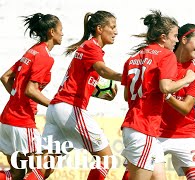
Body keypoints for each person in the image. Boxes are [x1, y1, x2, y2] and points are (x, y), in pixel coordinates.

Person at [24, 10, 122, 180]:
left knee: (45, 168)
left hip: (56, 109)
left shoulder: (87, 47)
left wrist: (100, 94)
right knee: (106, 158)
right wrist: (126, 77)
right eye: (112, 27)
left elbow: (81, 81)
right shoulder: (92, 47)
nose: (116, 31)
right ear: (100, 29)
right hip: (69, 109)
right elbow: (102, 70)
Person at [121, 10, 195, 180]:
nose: (177, 40)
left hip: (133, 125)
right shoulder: (166, 55)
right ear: (163, 37)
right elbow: (165, 87)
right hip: (144, 127)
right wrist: (187, 80)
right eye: (175, 36)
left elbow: (127, 95)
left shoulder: (133, 57)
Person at [0, 13, 63, 180]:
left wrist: (17, 98)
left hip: (7, 119)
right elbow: (31, 90)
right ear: (51, 32)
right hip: (22, 121)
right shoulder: (44, 56)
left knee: (17, 173)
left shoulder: (32, 51)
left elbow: (5, 77)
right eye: (60, 30)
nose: (62, 34)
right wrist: (56, 105)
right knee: (45, 167)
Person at [158, 23, 195, 180]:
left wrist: (166, 94)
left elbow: (186, 108)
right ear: (184, 39)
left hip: (185, 133)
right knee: (133, 175)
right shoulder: (163, 60)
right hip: (155, 132)